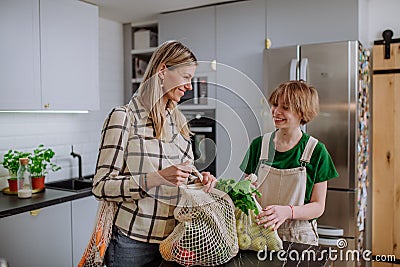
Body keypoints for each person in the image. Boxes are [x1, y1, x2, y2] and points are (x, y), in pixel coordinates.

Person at [91, 41, 217, 267]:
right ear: (162, 71)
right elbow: (101, 186)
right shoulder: (124, 118)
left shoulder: (177, 121)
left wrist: (200, 179)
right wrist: (157, 178)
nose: (190, 85)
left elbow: (184, 173)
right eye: (186, 77)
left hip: (174, 241)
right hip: (132, 244)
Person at [240, 80, 338, 245]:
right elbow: (244, 191)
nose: (276, 111)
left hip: (298, 236)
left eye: (285, 108)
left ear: (302, 112)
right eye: (275, 104)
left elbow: (318, 206)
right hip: (259, 233)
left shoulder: (316, 151)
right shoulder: (259, 146)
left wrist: (288, 211)